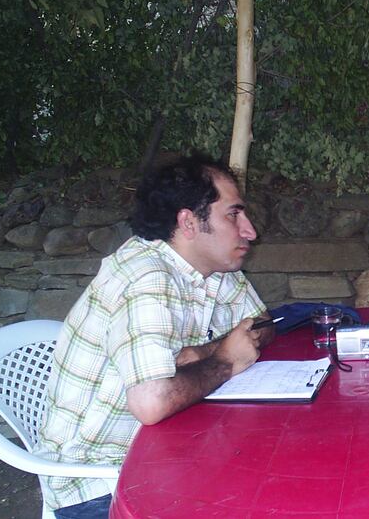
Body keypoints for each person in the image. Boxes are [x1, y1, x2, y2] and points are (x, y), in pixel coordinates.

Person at [35, 155, 275, 519]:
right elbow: (152, 403)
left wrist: (206, 351)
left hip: (169, 447)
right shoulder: (147, 277)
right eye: (233, 215)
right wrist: (225, 360)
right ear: (188, 221)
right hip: (100, 481)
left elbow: (264, 323)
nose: (249, 230)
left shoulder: (215, 268)